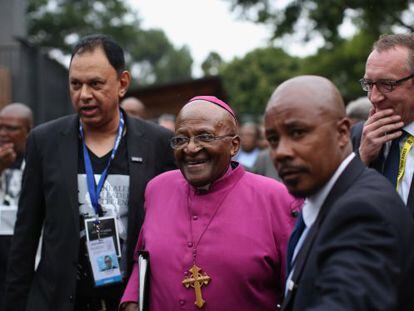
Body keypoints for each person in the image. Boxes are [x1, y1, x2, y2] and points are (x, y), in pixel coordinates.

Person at [3, 34, 175, 311]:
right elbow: (26, 236)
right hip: (58, 298)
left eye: (95, 84)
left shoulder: (157, 143)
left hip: (128, 300)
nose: (84, 95)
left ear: (122, 84)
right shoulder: (44, 142)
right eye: (75, 84)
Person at [120, 96, 301, 311]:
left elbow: (297, 288)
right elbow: (143, 260)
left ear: (234, 145)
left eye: (204, 137)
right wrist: (131, 300)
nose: (191, 148)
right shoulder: (157, 189)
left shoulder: (277, 198)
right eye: (180, 139)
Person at [264, 75, 414, 311]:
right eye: (273, 139)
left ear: (343, 133)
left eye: (298, 133)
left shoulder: (364, 212)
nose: (281, 152)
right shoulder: (323, 199)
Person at [351, 33, 414, 213]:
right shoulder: (356, 137)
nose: (374, 97)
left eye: (388, 84)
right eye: (369, 84)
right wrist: (361, 158)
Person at [0, 103, 33, 308]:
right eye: (0, 127)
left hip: (25, 249)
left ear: (29, 132)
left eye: (11, 128)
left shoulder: (39, 159)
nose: (3, 133)